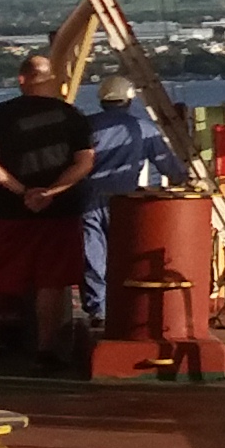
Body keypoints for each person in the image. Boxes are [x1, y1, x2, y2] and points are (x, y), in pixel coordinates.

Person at [0, 55, 95, 366]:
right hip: (60, 212)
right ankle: (46, 350)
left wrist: (23, 192)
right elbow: (85, 162)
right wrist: (51, 191)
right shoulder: (72, 116)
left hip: (8, 211)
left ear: (22, 79)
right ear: (51, 80)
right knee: (52, 282)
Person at [78, 77, 175, 324]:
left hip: (88, 198)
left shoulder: (86, 126)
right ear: (129, 99)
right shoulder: (144, 128)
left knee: (92, 254)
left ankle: (98, 310)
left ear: (102, 99)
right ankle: (125, 305)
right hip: (124, 201)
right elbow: (166, 164)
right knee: (124, 254)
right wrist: (184, 179)